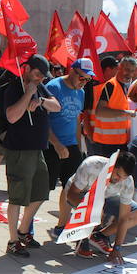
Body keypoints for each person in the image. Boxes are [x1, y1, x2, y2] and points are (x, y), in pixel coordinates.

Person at [0, 55, 62, 258]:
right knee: (17, 196)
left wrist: (40, 99)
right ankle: (13, 241)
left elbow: (56, 106)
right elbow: (11, 116)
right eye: (36, 74)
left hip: (37, 149)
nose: (39, 79)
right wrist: (28, 95)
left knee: (41, 191)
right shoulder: (14, 87)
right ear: (26, 69)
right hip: (19, 150)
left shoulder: (40, 87)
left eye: (43, 76)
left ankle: (24, 230)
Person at [53, 151, 137, 264]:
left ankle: (98, 236)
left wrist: (117, 248)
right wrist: (91, 211)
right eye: (117, 175)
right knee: (95, 210)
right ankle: (82, 236)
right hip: (81, 193)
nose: (118, 180)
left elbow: (123, 218)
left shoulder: (127, 182)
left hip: (107, 197)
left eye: (123, 177)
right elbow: (72, 194)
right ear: (112, 165)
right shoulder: (91, 165)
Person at [45, 58, 92, 191]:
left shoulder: (81, 92)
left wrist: (78, 147)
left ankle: (65, 213)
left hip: (71, 145)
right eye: (82, 77)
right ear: (72, 71)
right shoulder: (54, 87)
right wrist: (57, 144)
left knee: (72, 188)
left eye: (87, 79)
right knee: (44, 190)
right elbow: (44, 119)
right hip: (51, 145)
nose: (83, 82)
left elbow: (77, 119)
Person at [88, 57, 137, 157]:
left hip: (118, 142)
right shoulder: (110, 85)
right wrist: (126, 113)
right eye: (127, 69)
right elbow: (100, 111)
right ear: (119, 67)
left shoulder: (123, 86)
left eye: (132, 71)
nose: (129, 74)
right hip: (105, 144)